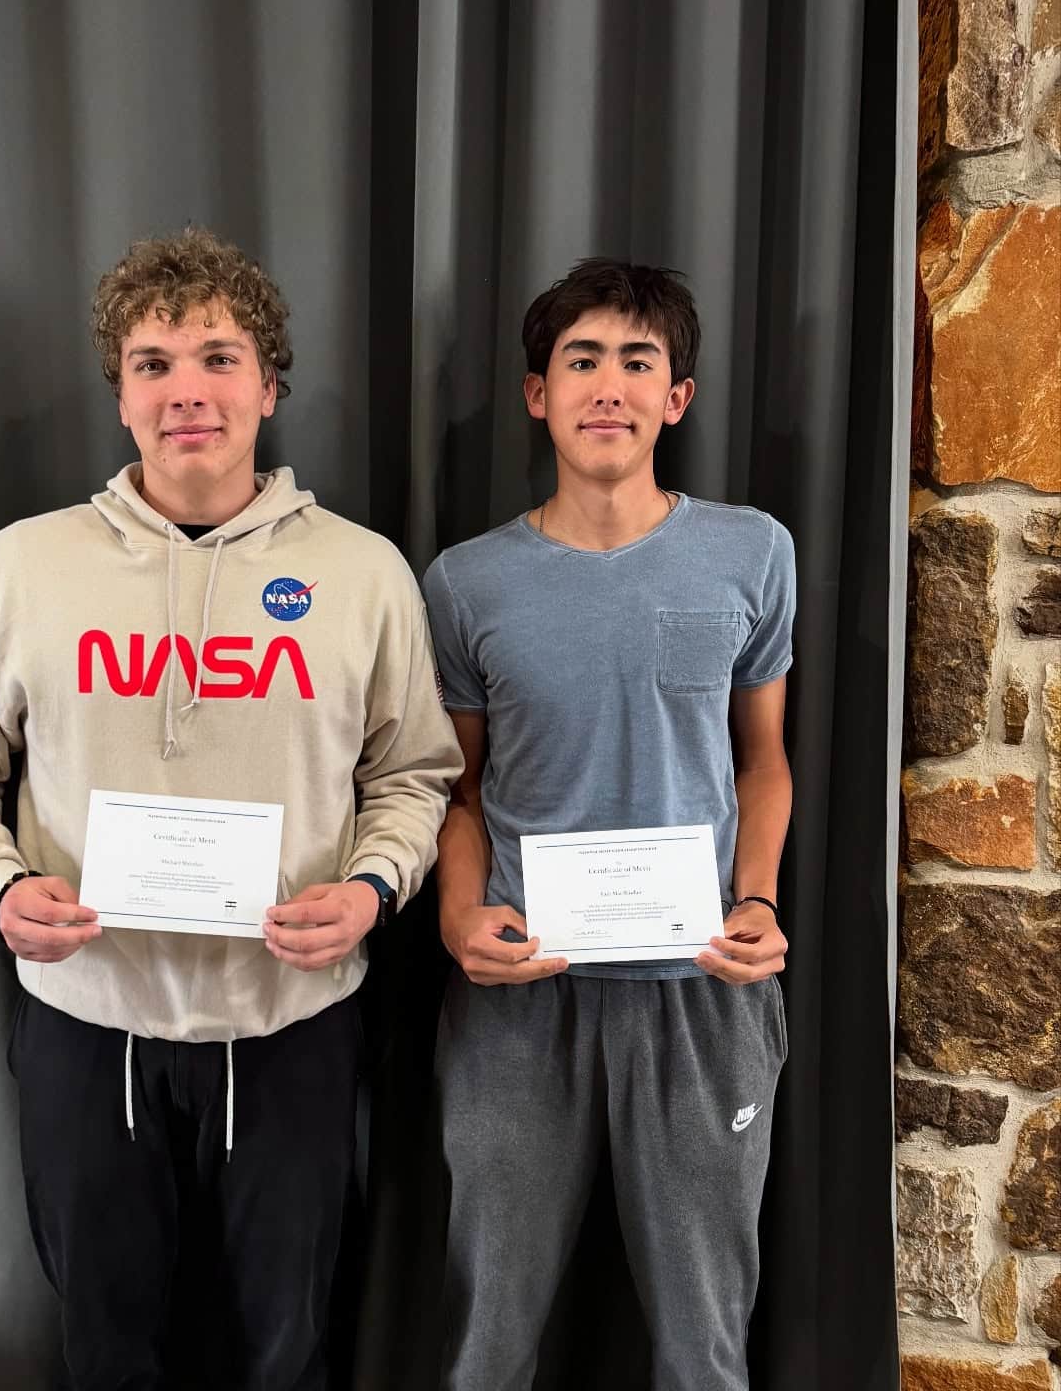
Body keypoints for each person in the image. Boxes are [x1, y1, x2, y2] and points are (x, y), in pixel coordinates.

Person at [0, 227, 462, 1391]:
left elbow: (415, 775)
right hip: (88, 1023)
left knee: (289, 1349)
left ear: (268, 384)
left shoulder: (364, 575)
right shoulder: (24, 565)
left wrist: (370, 890)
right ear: (120, 397)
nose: (185, 388)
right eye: (151, 363)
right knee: (106, 1348)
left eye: (215, 356)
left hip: (294, 1021)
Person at [422, 257, 795, 1391]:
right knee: (490, 1339)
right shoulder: (466, 583)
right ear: (538, 392)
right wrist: (455, 920)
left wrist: (760, 901)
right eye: (581, 360)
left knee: (703, 1346)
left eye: (638, 362)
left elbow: (764, 760)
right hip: (522, 995)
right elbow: (455, 788)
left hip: (703, 995)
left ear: (675, 397)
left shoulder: (752, 552)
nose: (608, 386)